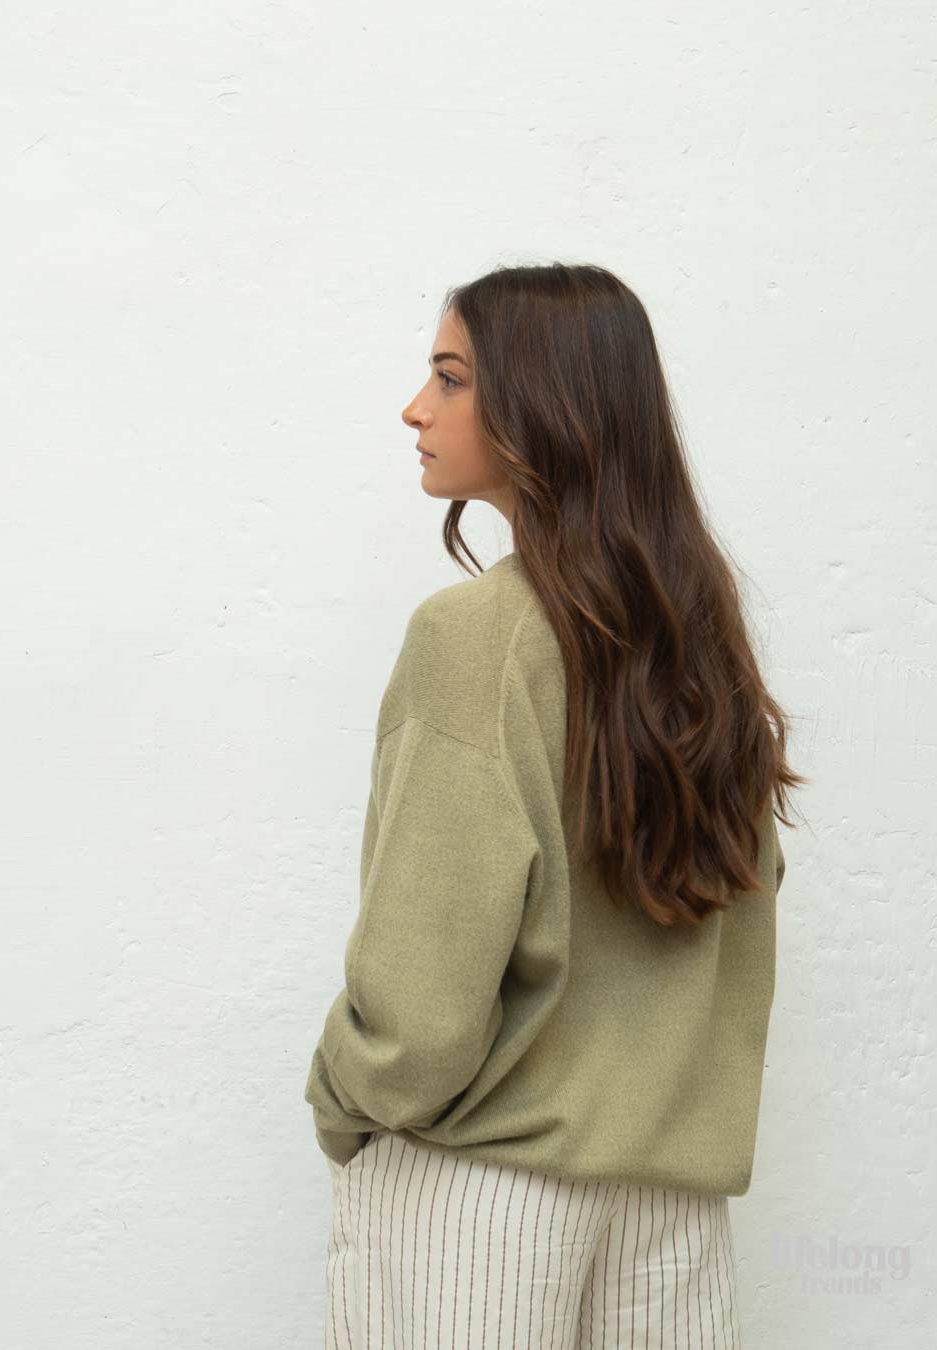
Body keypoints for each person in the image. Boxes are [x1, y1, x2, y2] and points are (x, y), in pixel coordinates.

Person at [303, 261, 805, 1349]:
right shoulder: (699, 646)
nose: (416, 409)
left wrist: (344, 1098)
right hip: (670, 1210)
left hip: (479, 1201)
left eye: (450, 378)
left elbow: (422, 1004)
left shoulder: (476, 638)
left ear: (545, 408)